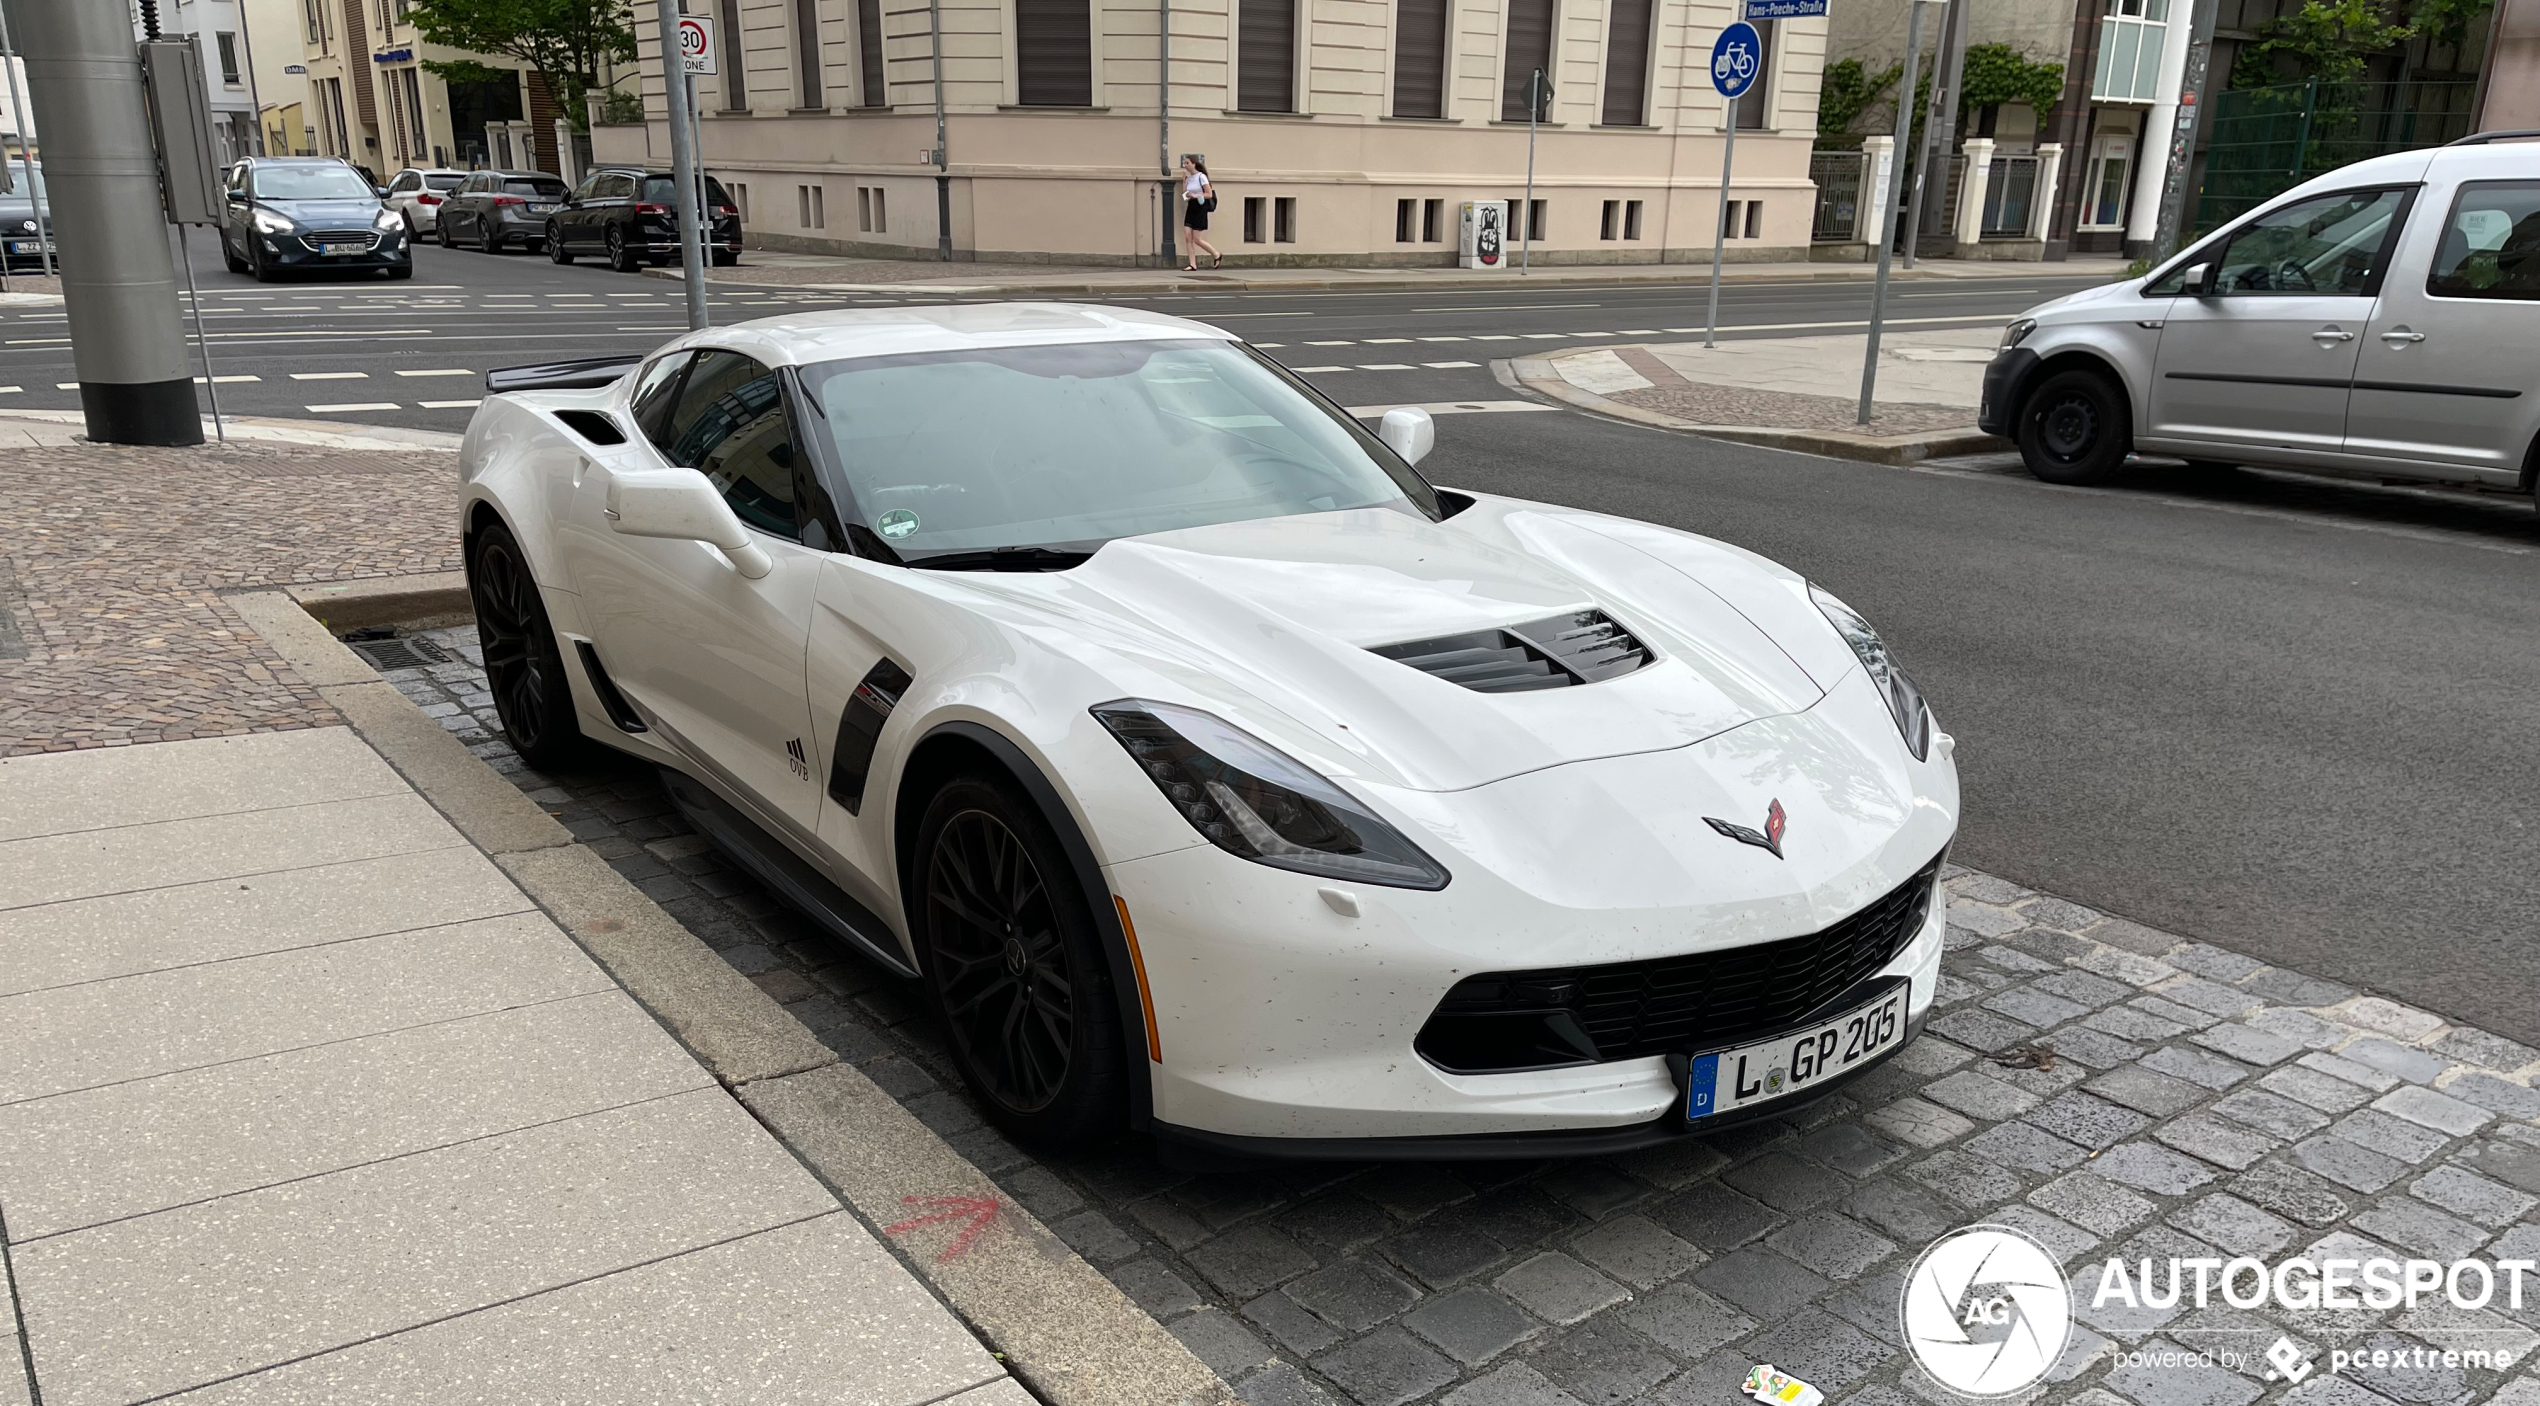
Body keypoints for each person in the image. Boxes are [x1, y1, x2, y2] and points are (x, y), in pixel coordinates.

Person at [1179, 156, 1220, 272]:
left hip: (1200, 207)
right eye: (1184, 163)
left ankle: (1216, 254)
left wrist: (1195, 195)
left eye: (1187, 163)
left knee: (1197, 239)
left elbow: (1209, 194)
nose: (1185, 165)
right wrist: (1184, 181)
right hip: (1191, 206)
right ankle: (1192, 264)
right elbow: (1185, 194)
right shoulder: (1189, 178)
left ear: (1194, 164)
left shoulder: (1201, 177)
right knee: (1187, 237)